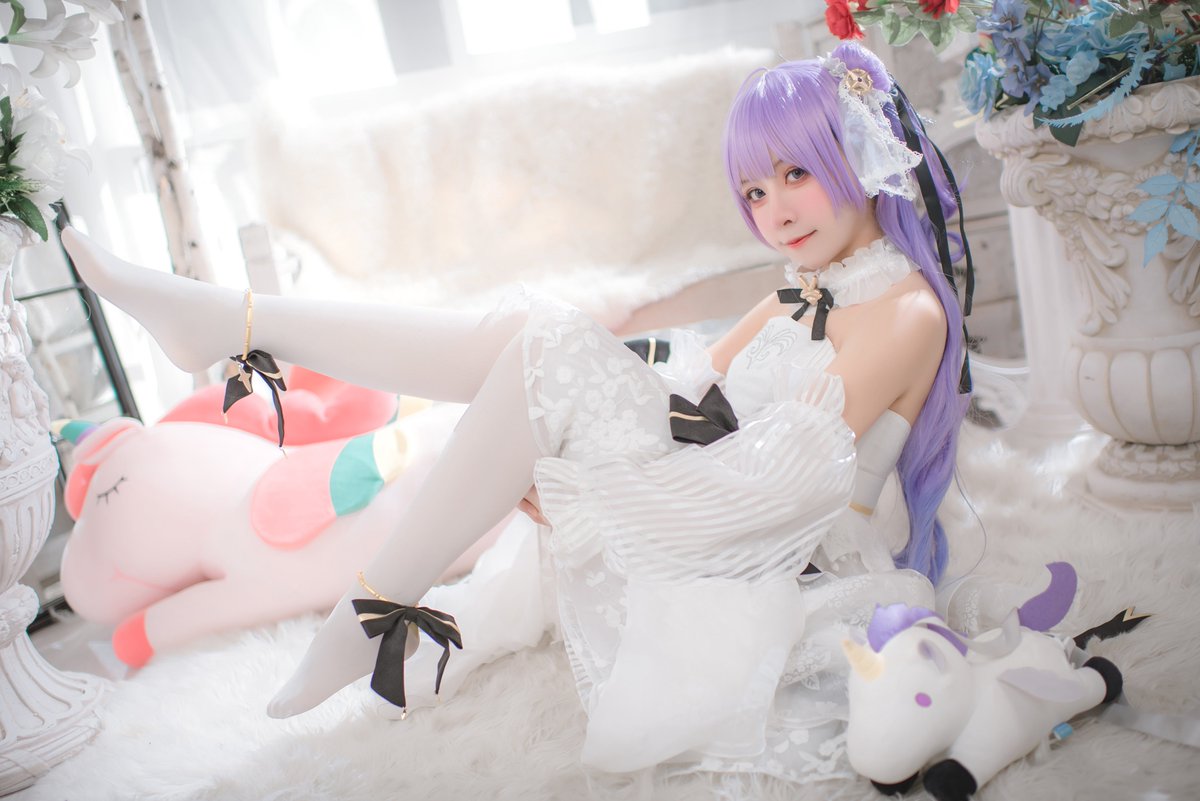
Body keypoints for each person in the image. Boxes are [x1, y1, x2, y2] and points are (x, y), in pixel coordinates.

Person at [62, 41, 972, 786]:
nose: (774, 211)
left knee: (548, 347)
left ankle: (359, 604)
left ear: (860, 157)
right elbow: (691, 398)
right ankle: (236, 320)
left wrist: (585, 488)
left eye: (795, 173)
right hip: (697, 499)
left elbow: (769, 493)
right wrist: (574, 432)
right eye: (756, 192)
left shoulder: (906, 313)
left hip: (762, 554)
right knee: (535, 332)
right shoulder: (798, 292)